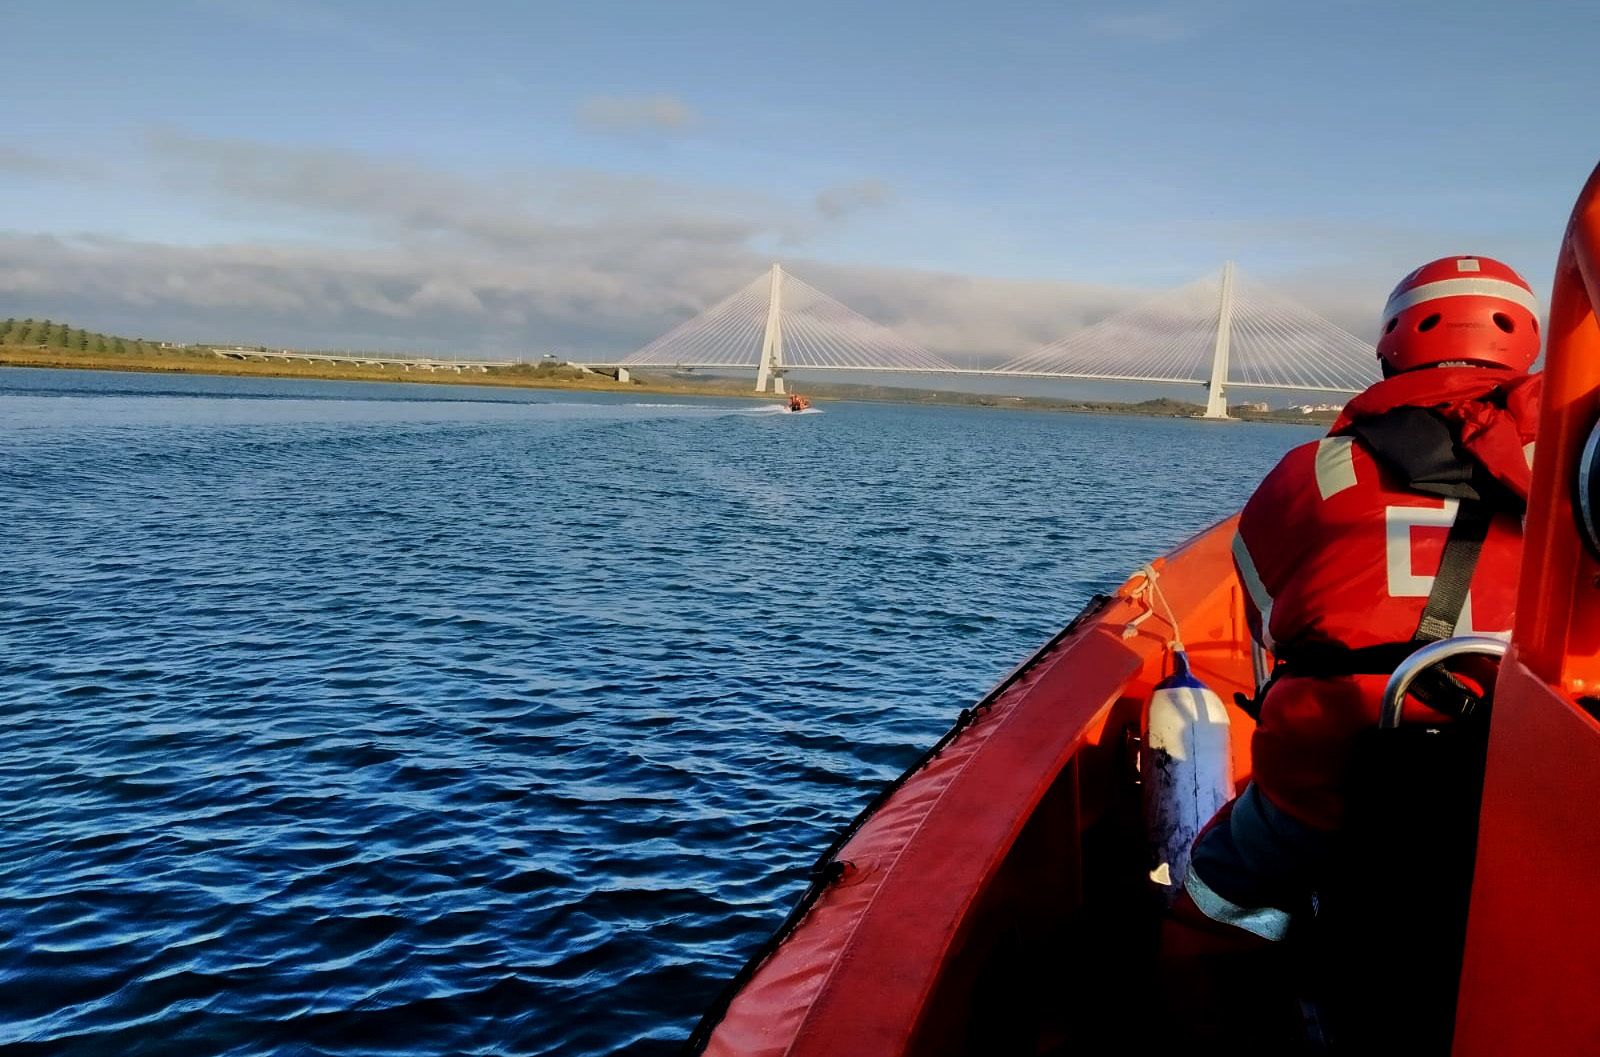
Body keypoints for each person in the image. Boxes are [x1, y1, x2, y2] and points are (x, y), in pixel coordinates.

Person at [1162, 256, 1544, 1046]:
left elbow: (1269, 618)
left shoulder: (1315, 469)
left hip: (1333, 772)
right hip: (1527, 777)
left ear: (1391, 347)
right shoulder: (1577, 468)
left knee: (1215, 896)